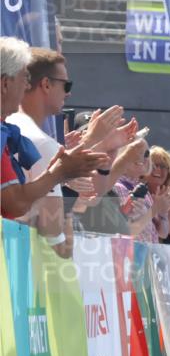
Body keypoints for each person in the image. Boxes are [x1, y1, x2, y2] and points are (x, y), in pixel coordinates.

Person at [1, 37, 107, 221]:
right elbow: (17, 205)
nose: (27, 85)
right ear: (5, 83)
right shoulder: (35, 140)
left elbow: (15, 204)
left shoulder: (10, 133)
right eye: (24, 78)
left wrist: (59, 173)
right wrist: (58, 173)